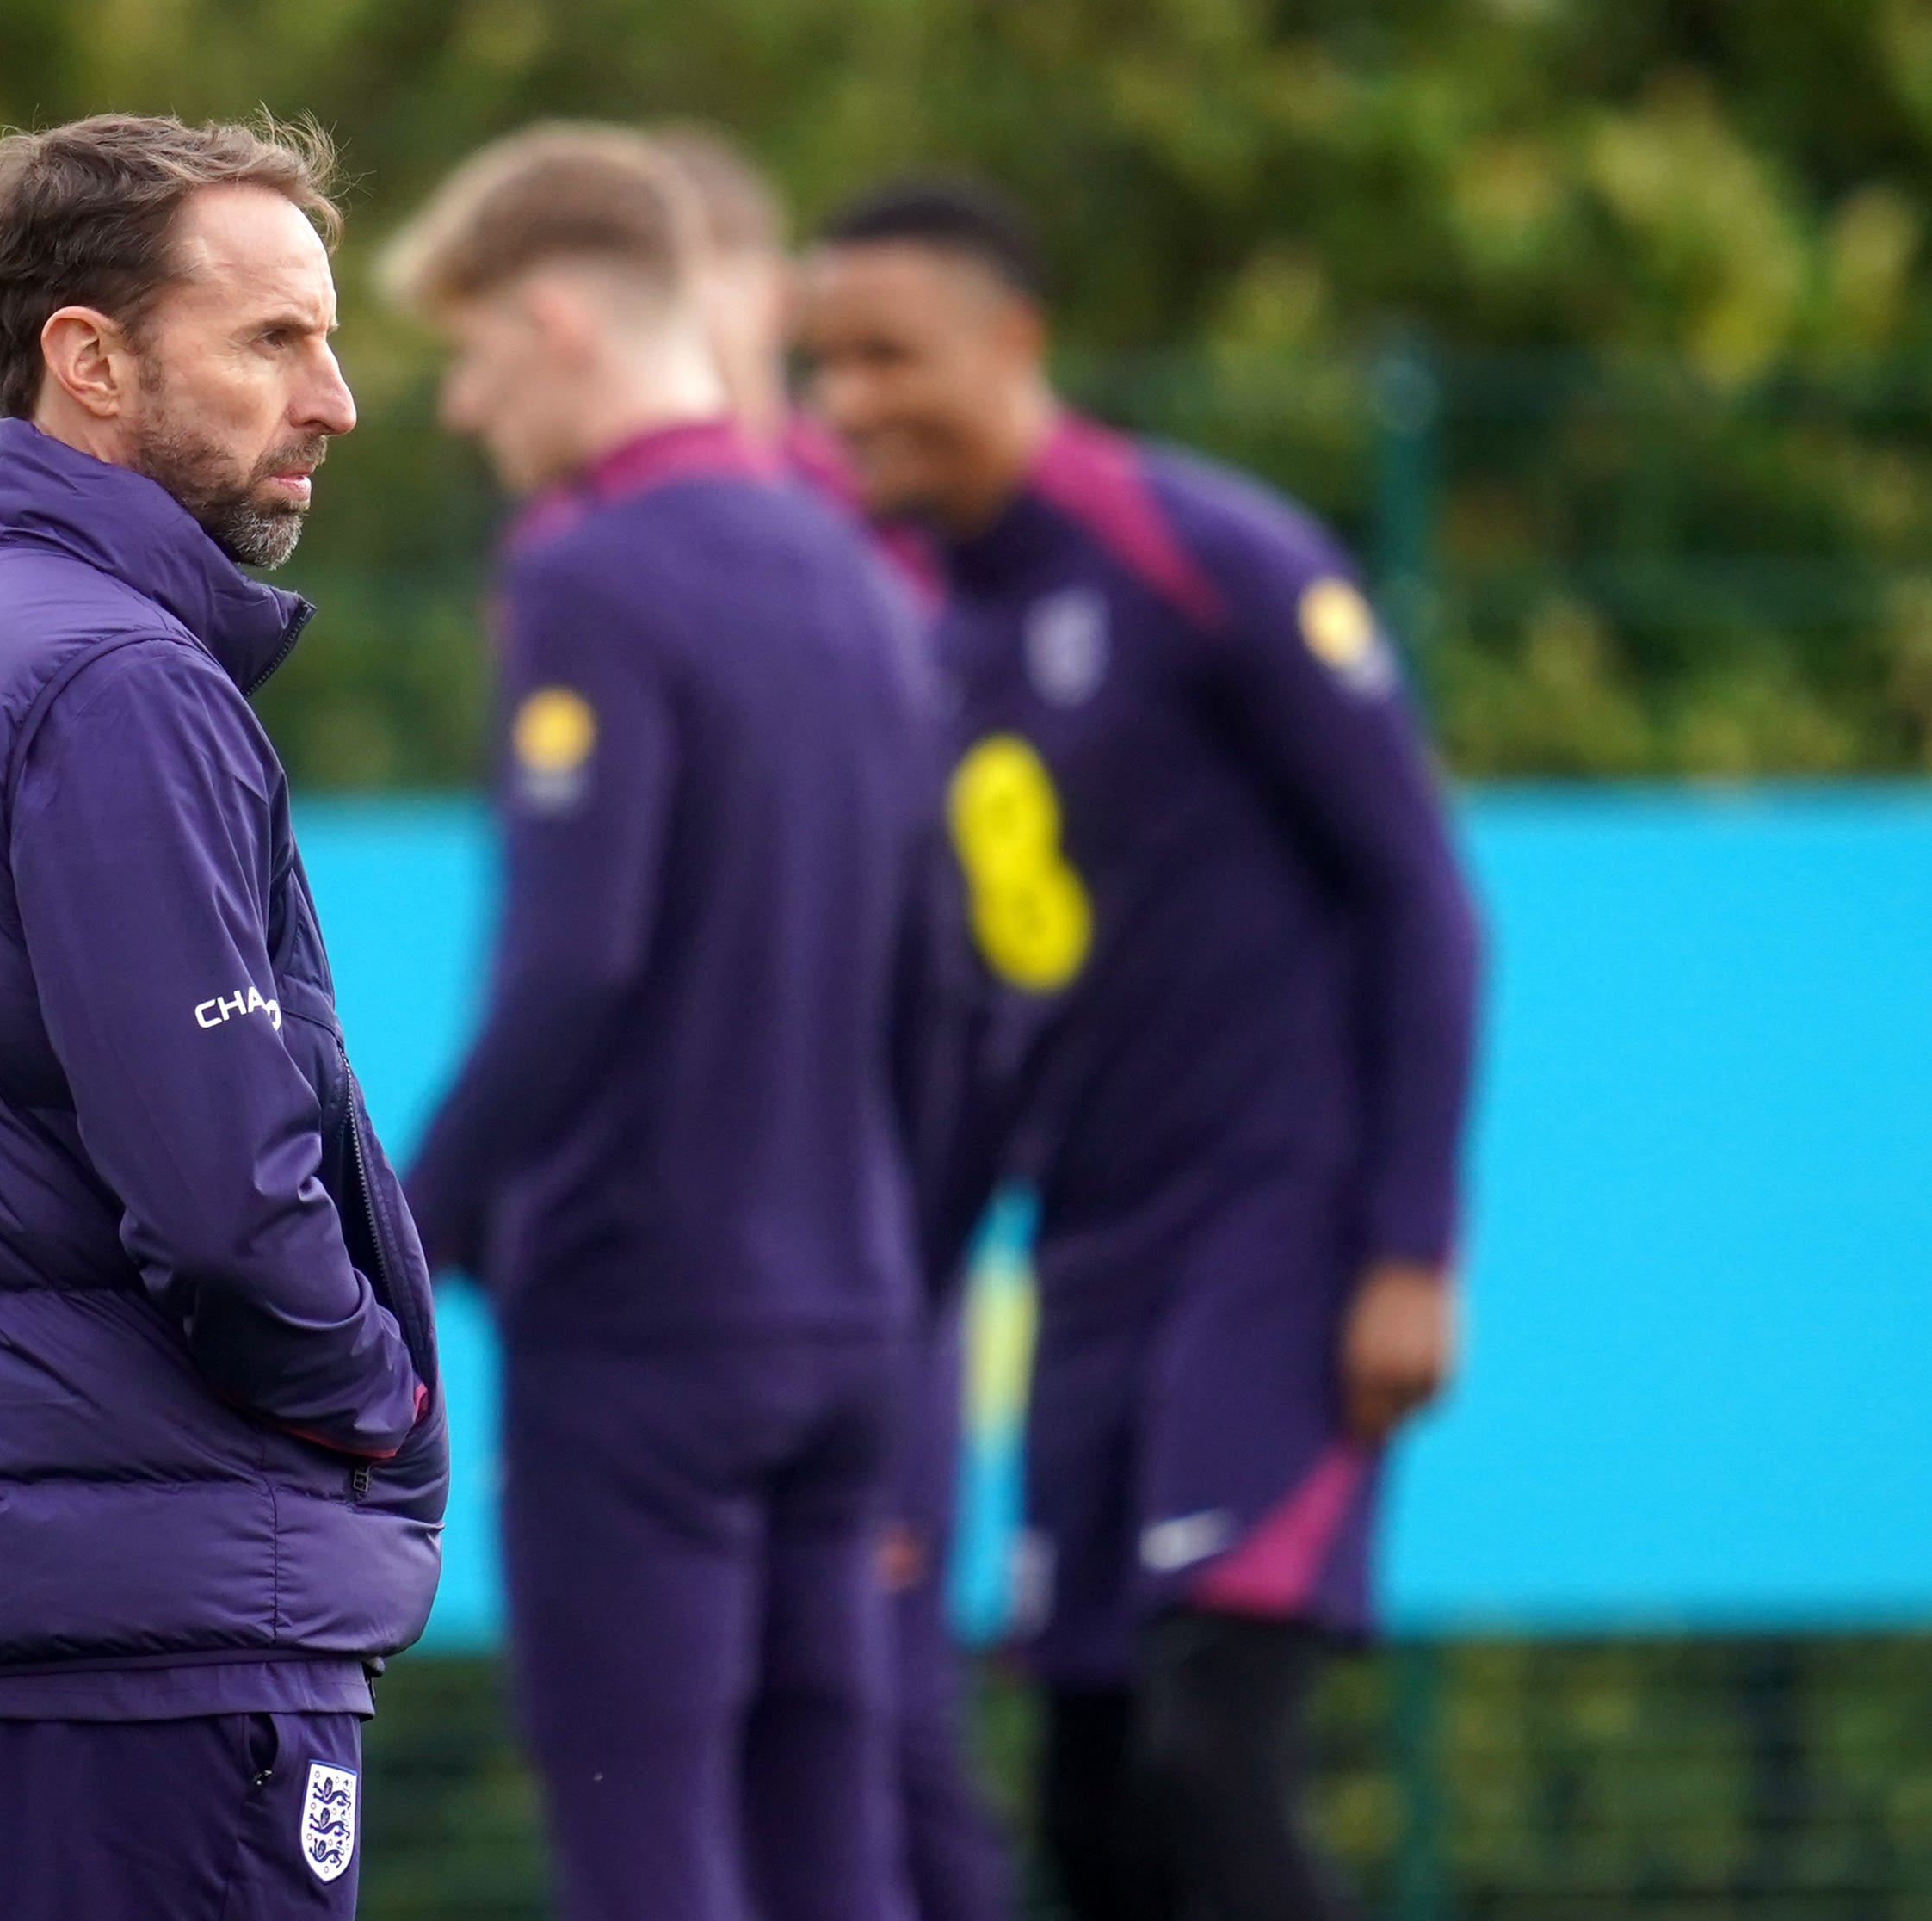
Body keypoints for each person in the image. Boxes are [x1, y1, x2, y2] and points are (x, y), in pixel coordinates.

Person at [0, 114, 445, 1921]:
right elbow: (217, 1189)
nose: (337, 398)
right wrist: (366, 1403)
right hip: (158, 1632)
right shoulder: (116, 679)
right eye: (274, 339)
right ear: (92, 360)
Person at [802, 179, 1484, 1921]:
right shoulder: (936, 642)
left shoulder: (1207, 556)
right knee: (1093, 1810)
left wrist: (1410, 1250)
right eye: (825, 365)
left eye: (891, 353)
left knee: (1212, 1757)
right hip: (1095, 1274)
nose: (852, 400)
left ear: (1013, 341)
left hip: (1282, 1241)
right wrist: (892, 1354)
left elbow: (1423, 902)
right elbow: (971, 1037)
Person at [386, 124, 941, 1921]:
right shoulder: (861, 573)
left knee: (646, 1844)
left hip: (648, 1320)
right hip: (850, 1316)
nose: (467, 410)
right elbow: (948, 989)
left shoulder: (590, 577)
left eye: (469, 356)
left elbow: (575, 965)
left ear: (556, 321)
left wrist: (410, 1224)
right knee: (826, 1826)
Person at [656, 123, 1015, 1921]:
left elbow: (953, 971)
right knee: (718, 1733)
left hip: (848, 1257)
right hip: (692, 1277)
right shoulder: (600, 552)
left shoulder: (858, 547)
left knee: (871, 1719)